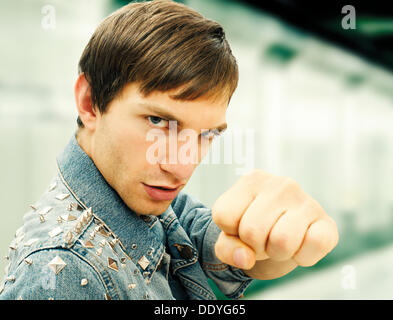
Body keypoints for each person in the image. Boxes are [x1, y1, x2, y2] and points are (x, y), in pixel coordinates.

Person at [0, 0, 338, 300]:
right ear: (90, 103)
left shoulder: (151, 204)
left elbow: (224, 249)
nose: (182, 167)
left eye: (207, 134)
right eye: (159, 121)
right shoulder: (65, 268)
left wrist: (279, 241)